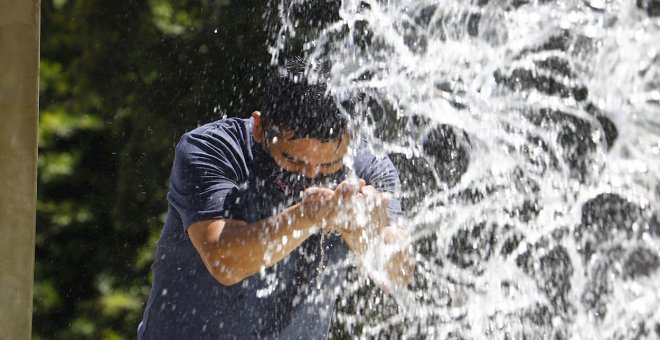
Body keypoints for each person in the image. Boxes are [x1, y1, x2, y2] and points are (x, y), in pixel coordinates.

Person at [137, 58, 414, 339]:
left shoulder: (369, 169)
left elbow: (397, 276)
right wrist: (308, 216)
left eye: (329, 165)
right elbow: (224, 262)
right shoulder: (211, 149)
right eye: (293, 160)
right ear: (259, 128)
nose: (311, 176)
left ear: (352, 138)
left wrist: (365, 232)